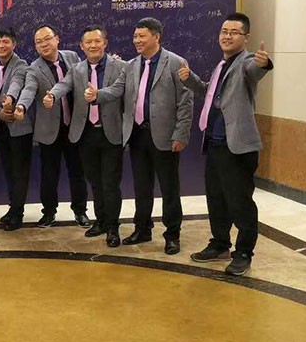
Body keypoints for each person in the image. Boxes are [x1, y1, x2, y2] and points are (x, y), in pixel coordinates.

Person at [86, 17, 193, 255]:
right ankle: (142, 229)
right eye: (135, 36)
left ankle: (172, 235)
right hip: (137, 135)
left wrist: (181, 134)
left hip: (165, 136)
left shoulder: (176, 63)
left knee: (169, 189)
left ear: (156, 37)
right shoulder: (131, 65)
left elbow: (186, 102)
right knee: (142, 187)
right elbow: (117, 89)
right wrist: (98, 95)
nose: (137, 40)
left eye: (142, 36)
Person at [179, 12, 273, 276]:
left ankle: (243, 253)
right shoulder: (222, 65)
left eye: (234, 32)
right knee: (217, 198)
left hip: (237, 147)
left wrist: (264, 63)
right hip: (215, 143)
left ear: (246, 38)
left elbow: (256, 70)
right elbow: (209, 93)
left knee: (240, 202)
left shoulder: (246, 63)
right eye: (224, 31)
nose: (227, 36)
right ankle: (219, 243)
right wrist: (189, 79)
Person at [44, 26, 127, 247]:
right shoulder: (77, 69)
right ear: (81, 46)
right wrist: (52, 95)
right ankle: (101, 221)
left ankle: (113, 227)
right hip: (85, 134)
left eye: (97, 41)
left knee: (110, 183)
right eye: (88, 42)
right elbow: (63, 85)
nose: (93, 45)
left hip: (111, 133)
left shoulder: (121, 67)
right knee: (95, 182)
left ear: (105, 43)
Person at [15, 25, 91, 228]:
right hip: (49, 129)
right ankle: (48, 213)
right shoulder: (34, 68)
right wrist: (21, 106)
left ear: (57, 39)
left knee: (78, 172)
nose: (43, 44)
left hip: (74, 126)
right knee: (49, 174)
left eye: (47, 39)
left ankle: (80, 212)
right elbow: (29, 89)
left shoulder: (72, 57)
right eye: (38, 42)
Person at [0, 29, 32, 232]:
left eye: (5, 42)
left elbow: (16, 84)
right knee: (9, 171)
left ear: (14, 44)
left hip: (19, 127)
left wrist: (10, 101)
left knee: (19, 172)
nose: (1, 46)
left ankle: (17, 214)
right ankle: (13, 207)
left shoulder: (21, 65)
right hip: (2, 125)